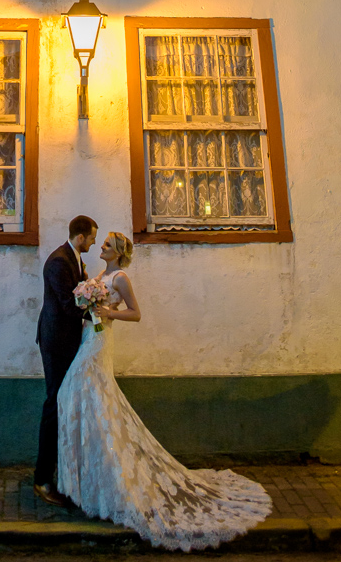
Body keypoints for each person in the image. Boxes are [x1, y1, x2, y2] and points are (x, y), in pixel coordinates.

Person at [57, 231, 272, 551]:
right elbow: (90, 304)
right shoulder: (101, 275)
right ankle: (92, 477)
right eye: (102, 243)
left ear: (117, 252)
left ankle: (103, 476)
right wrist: (86, 301)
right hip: (90, 335)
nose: (101, 246)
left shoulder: (121, 278)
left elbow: (136, 313)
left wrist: (108, 313)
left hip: (100, 340)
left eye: (107, 245)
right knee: (81, 396)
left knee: (85, 393)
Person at [33, 214, 98, 506]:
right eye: (92, 238)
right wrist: (100, 315)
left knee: (63, 404)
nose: (94, 243)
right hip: (56, 342)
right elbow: (68, 305)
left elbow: (78, 295)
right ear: (80, 237)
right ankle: (42, 479)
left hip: (66, 340)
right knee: (54, 405)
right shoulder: (59, 261)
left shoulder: (74, 259)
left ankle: (61, 474)